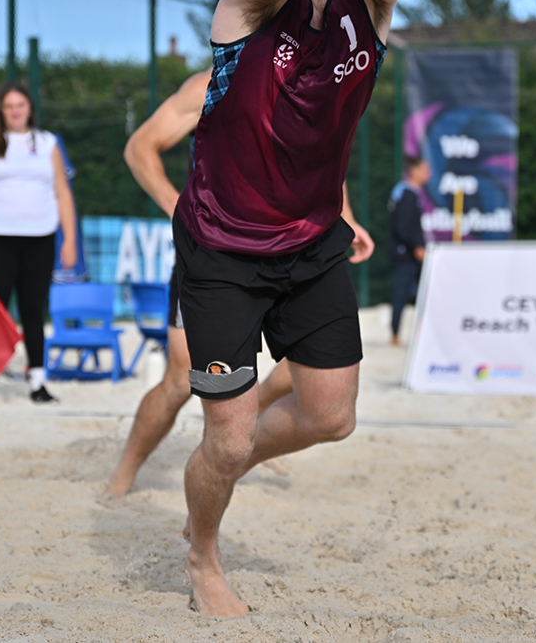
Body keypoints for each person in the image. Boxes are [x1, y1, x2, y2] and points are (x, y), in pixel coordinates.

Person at [173, 0, 439, 615]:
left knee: (332, 416)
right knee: (225, 436)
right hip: (222, 242)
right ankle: (202, 553)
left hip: (312, 237)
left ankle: (223, 458)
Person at [103, 69, 374, 498]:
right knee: (178, 381)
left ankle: (249, 432)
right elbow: (140, 148)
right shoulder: (214, 82)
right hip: (216, 259)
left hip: (293, 254)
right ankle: (124, 472)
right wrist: (183, 210)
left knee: (310, 376)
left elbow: (324, 162)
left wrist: (347, 218)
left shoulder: (316, 78)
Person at [0, 82, 76, 404]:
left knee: (33, 309)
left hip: (39, 239)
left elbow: (62, 193)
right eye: (9, 106)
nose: (15, 111)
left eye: (21, 104)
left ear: (30, 108)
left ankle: (37, 380)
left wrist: (70, 241)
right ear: (0, 110)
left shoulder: (47, 143)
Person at [389, 154, 429, 346]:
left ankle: (419, 333)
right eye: (424, 170)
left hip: (411, 253)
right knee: (402, 294)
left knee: (416, 292)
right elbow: (403, 228)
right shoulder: (407, 194)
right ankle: (395, 334)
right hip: (406, 254)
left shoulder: (409, 194)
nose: (427, 174)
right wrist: (417, 247)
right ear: (413, 171)